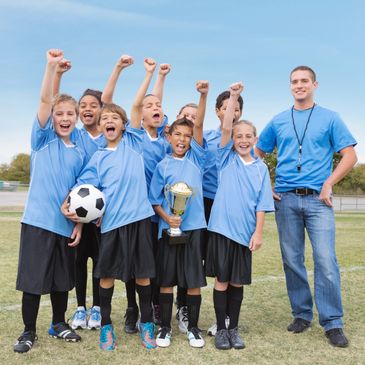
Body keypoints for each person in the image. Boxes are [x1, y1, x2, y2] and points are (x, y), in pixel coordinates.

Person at [255, 65, 357, 348]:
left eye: (304, 81)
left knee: (325, 260)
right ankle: (301, 314)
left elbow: (350, 156)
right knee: (292, 260)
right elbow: (256, 153)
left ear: (314, 84)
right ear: (290, 86)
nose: (299, 85)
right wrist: (267, 186)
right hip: (286, 199)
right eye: (294, 82)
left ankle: (333, 323)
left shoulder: (330, 118)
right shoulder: (278, 120)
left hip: (318, 201)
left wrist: (329, 183)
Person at [70, 58, 159, 351]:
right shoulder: (98, 157)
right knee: (106, 276)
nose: (109, 120)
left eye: (114, 118)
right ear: (101, 124)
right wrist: (67, 205)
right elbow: (82, 189)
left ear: (123, 125)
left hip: (140, 221)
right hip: (112, 226)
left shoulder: (134, 142)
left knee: (143, 276)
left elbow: (133, 107)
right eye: (105, 118)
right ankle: (107, 326)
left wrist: (148, 74)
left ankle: (147, 323)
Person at [13, 49, 84, 353]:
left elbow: (83, 192)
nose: (64, 118)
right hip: (38, 222)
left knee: (61, 281)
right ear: (52, 118)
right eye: (59, 114)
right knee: (33, 280)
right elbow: (45, 100)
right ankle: (28, 331)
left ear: (77, 118)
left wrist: (79, 222)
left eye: (70, 114)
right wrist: (51, 68)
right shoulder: (42, 141)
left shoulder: (80, 149)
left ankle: (58, 323)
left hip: (65, 226)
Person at [102, 57, 171, 331]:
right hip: (134, 212)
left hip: (157, 212)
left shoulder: (164, 141)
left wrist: (161, 80)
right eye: (148, 107)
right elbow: (137, 105)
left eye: (158, 107)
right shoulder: (134, 137)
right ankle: (131, 309)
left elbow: (152, 105)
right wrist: (150, 74)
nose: (154, 109)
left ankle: (151, 309)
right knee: (131, 266)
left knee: (149, 266)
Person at [205, 82, 274, 350]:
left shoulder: (260, 169)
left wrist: (257, 233)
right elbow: (225, 126)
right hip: (222, 230)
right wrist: (233, 96)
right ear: (232, 140)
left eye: (248, 136)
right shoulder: (226, 159)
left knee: (236, 282)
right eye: (239, 136)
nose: (243, 140)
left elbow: (261, 205)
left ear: (255, 140)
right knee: (222, 281)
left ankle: (233, 328)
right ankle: (221, 329)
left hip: (245, 235)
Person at [149, 81, 209, 348]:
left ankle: (194, 328)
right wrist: (166, 216)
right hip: (168, 230)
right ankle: (164, 329)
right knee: (167, 281)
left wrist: (202, 95)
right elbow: (154, 200)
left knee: (193, 281)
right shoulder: (162, 166)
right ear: (169, 137)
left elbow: (199, 127)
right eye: (178, 135)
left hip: (194, 228)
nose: (182, 140)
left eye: (187, 136)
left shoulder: (197, 159)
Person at [204, 89, 244, 337]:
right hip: (207, 205)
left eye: (237, 108)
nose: (232, 112)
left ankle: (229, 320)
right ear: (217, 110)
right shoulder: (208, 138)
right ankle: (186, 309)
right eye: (228, 107)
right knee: (204, 263)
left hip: (232, 208)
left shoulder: (244, 139)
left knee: (230, 269)